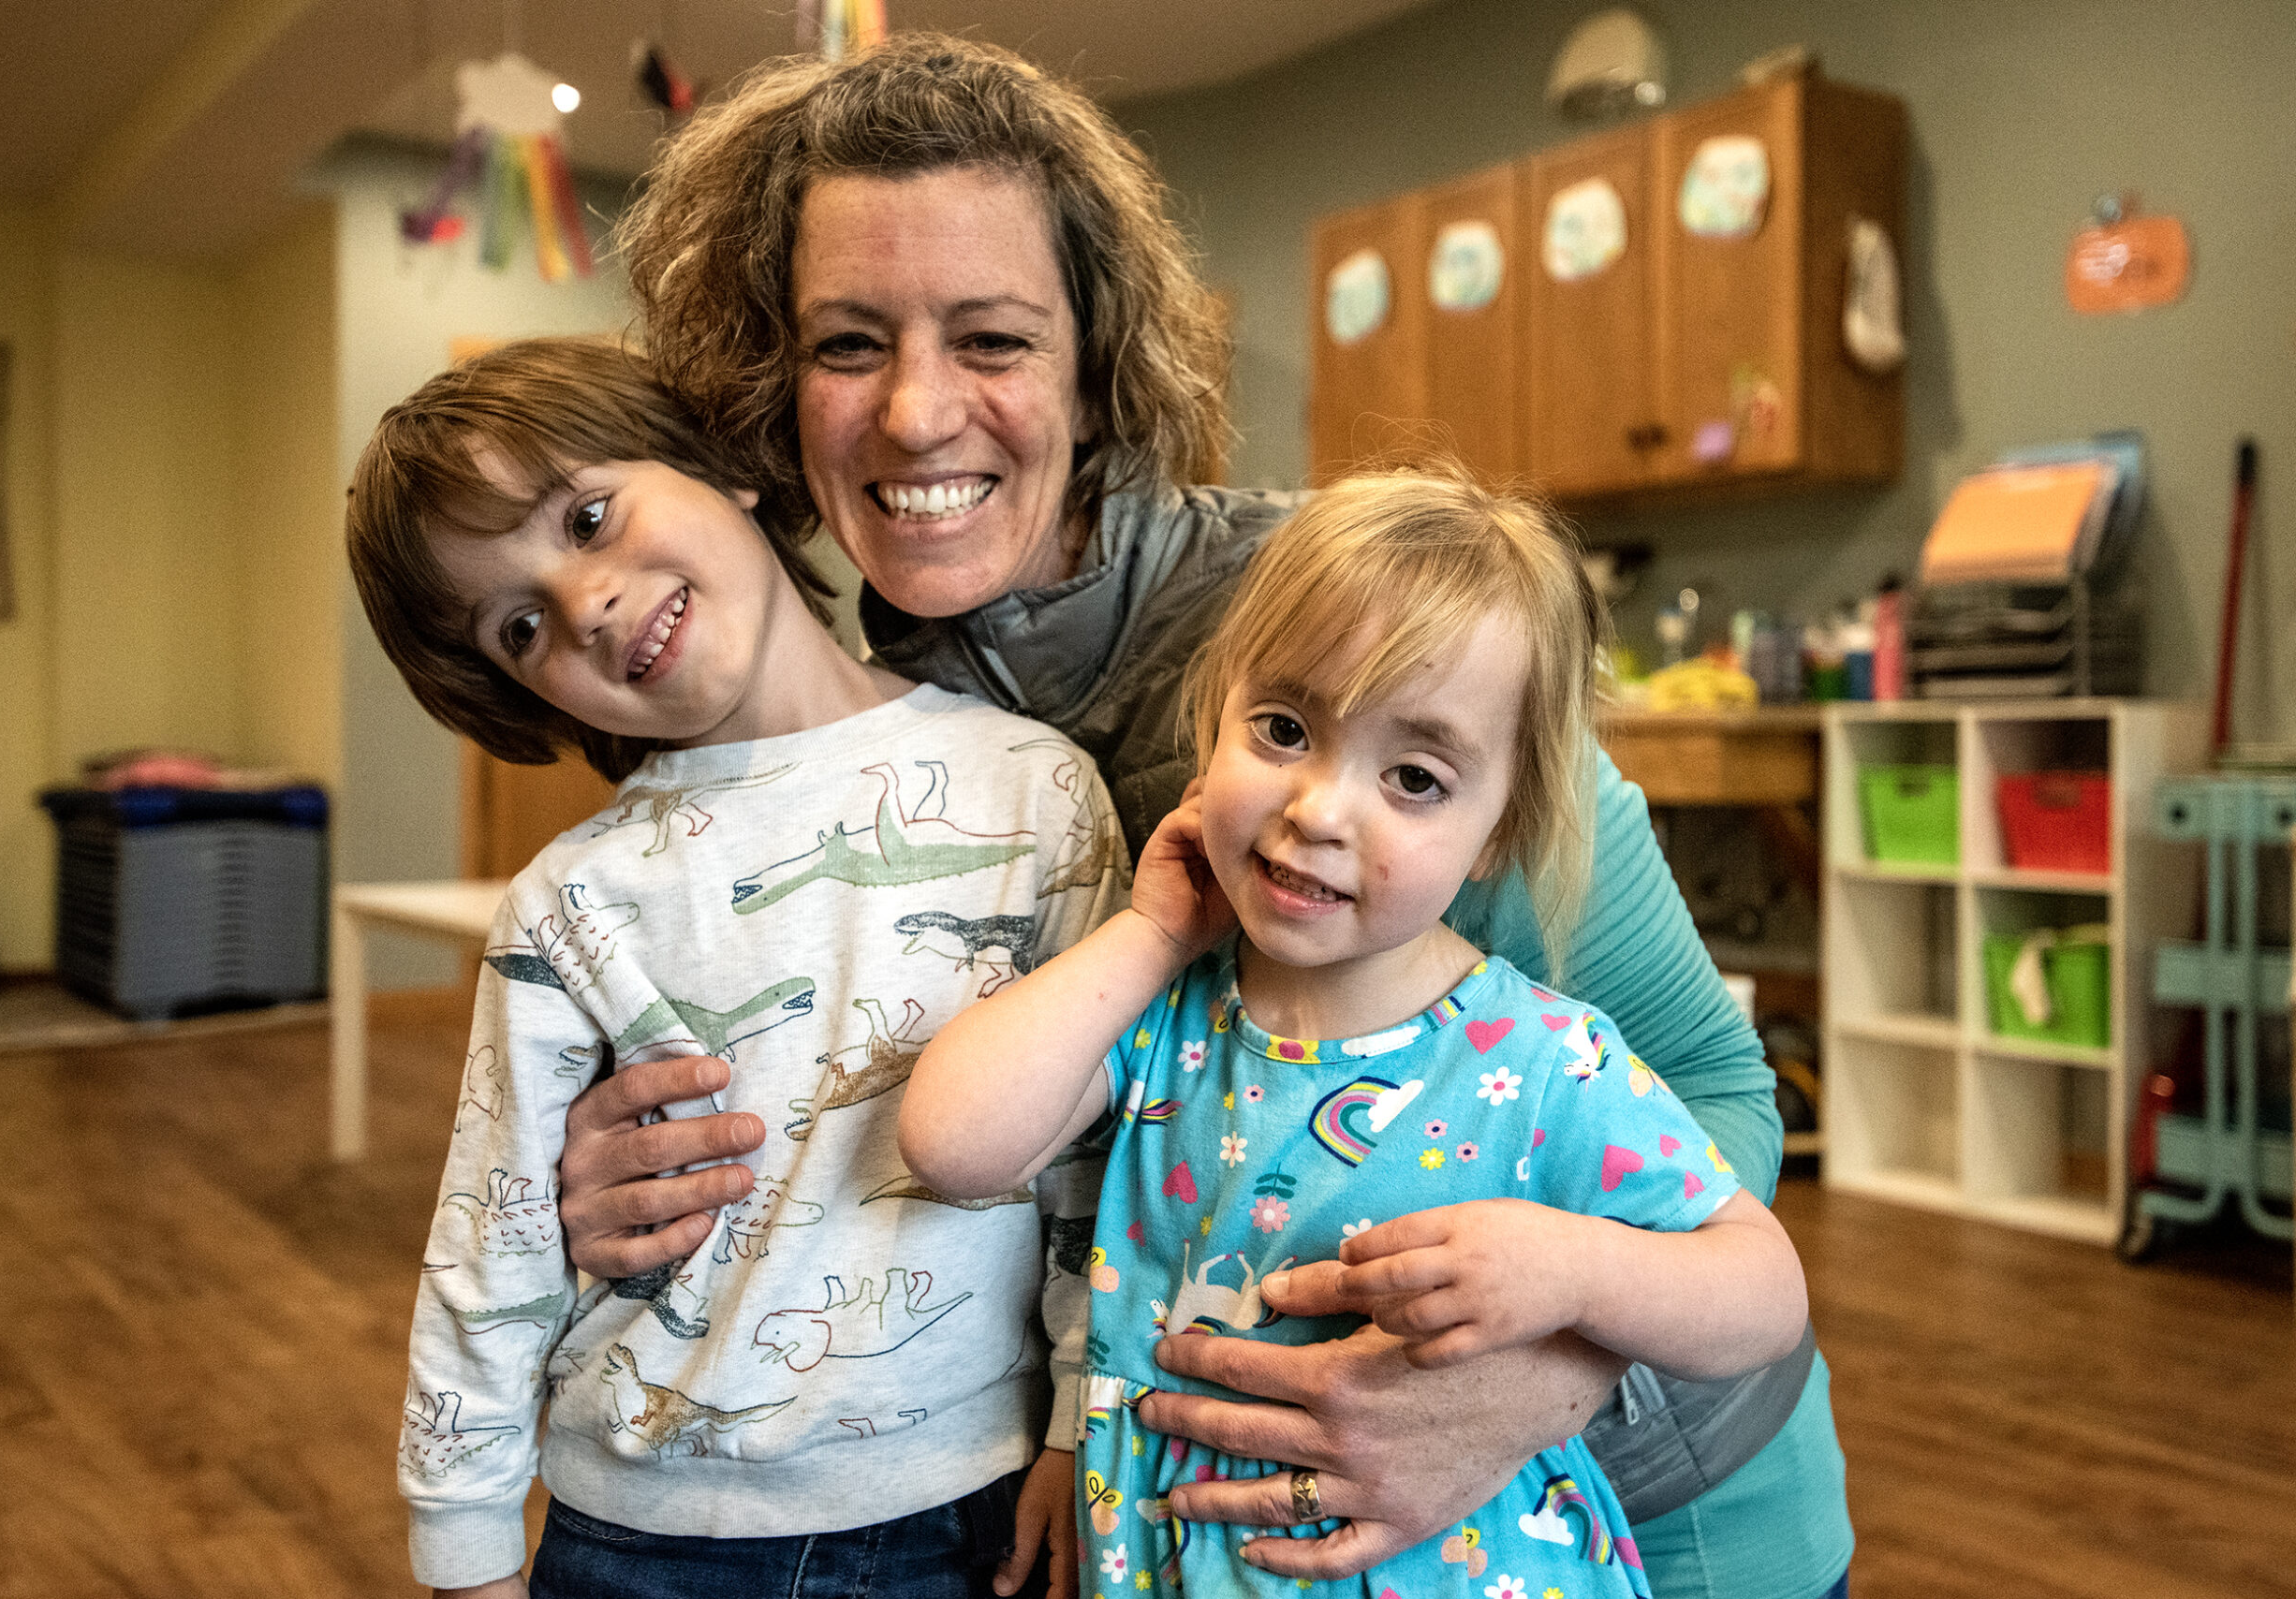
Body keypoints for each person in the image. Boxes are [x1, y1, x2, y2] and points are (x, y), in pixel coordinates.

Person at [563, 35, 1854, 1599]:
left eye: (991, 337)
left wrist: (1528, 1391)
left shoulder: (1357, 638)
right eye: (847, 343)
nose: (914, 413)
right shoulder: (849, 742)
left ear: (1100, 354)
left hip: (1645, 1511)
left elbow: (1713, 1081)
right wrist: (627, 1180)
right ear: (770, 378)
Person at [900, 467, 1810, 1597]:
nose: (1321, 808)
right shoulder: (1163, 1019)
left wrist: (1579, 1270)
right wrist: (1147, 933)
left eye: (1416, 777)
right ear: (1213, 718)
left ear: (1497, 836)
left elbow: (1763, 1290)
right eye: (1282, 728)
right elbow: (952, 1143)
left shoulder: (1544, 1059)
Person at [347, 337, 1125, 1598]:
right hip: (642, 1538)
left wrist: (1084, 1426)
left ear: (727, 471)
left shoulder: (1037, 790)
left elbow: (1101, 1162)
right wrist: (467, 1550)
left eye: (590, 517)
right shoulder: (569, 902)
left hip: (976, 1510)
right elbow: (491, 1246)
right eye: (522, 624)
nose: (586, 602)